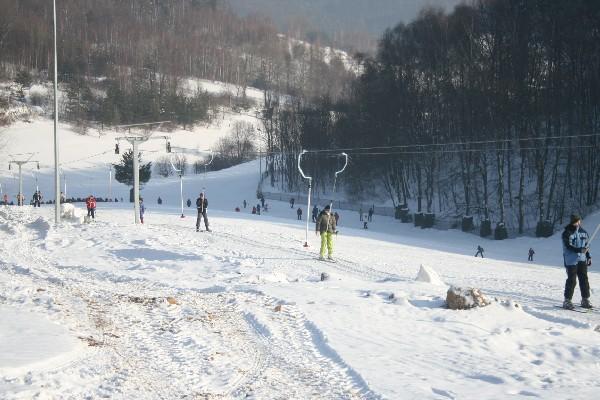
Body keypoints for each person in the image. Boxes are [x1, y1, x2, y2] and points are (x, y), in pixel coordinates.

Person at [562, 214, 592, 310]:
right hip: (571, 260)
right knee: (572, 280)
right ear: (572, 221)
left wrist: (588, 256)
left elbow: (586, 246)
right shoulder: (567, 233)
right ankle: (567, 301)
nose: (577, 222)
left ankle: (585, 299)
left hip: (582, 260)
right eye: (575, 221)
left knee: (584, 280)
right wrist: (580, 250)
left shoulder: (584, 232)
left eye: (578, 220)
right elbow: (568, 246)